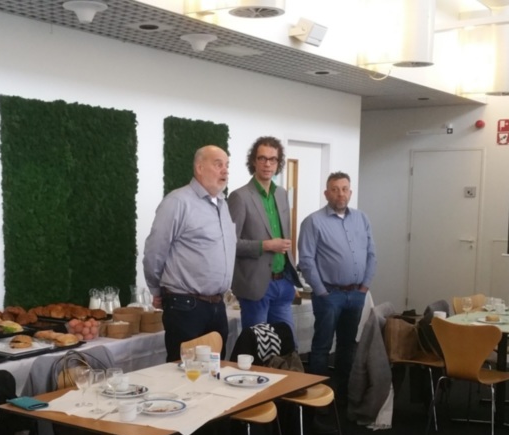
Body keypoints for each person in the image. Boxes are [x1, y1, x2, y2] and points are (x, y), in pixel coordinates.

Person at [144, 145, 237, 362]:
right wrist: (156, 289)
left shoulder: (222, 205)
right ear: (199, 168)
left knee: (215, 372)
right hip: (185, 306)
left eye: (226, 165)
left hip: (217, 305)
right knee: (183, 373)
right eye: (218, 164)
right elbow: (154, 251)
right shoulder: (177, 202)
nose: (225, 170)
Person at [297, 171, 377, 415]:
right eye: (335, 189)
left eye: (344, 189)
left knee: (347, 346)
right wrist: (321, 291)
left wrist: (364, 287)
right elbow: (306, 260)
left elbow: (371, 254)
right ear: (326, 193)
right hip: (329, 294)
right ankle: (318, 401)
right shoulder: (313, 222)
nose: (340, 194)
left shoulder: (361, 218)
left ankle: (341, 397)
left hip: (356, 294)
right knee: (321, 347)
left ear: (350, 192)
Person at [227, 136, 301, 337]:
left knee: (287, 344)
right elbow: (230, 244)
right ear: (254, 161)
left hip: (283, 282)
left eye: (273, 159)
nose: (268, 164)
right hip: (256, 285)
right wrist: (266, 245)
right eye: (262, 158)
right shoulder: (239, 197)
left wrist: (290, 278)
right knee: (258, 347)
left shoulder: (282, 194)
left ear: (278, 163)